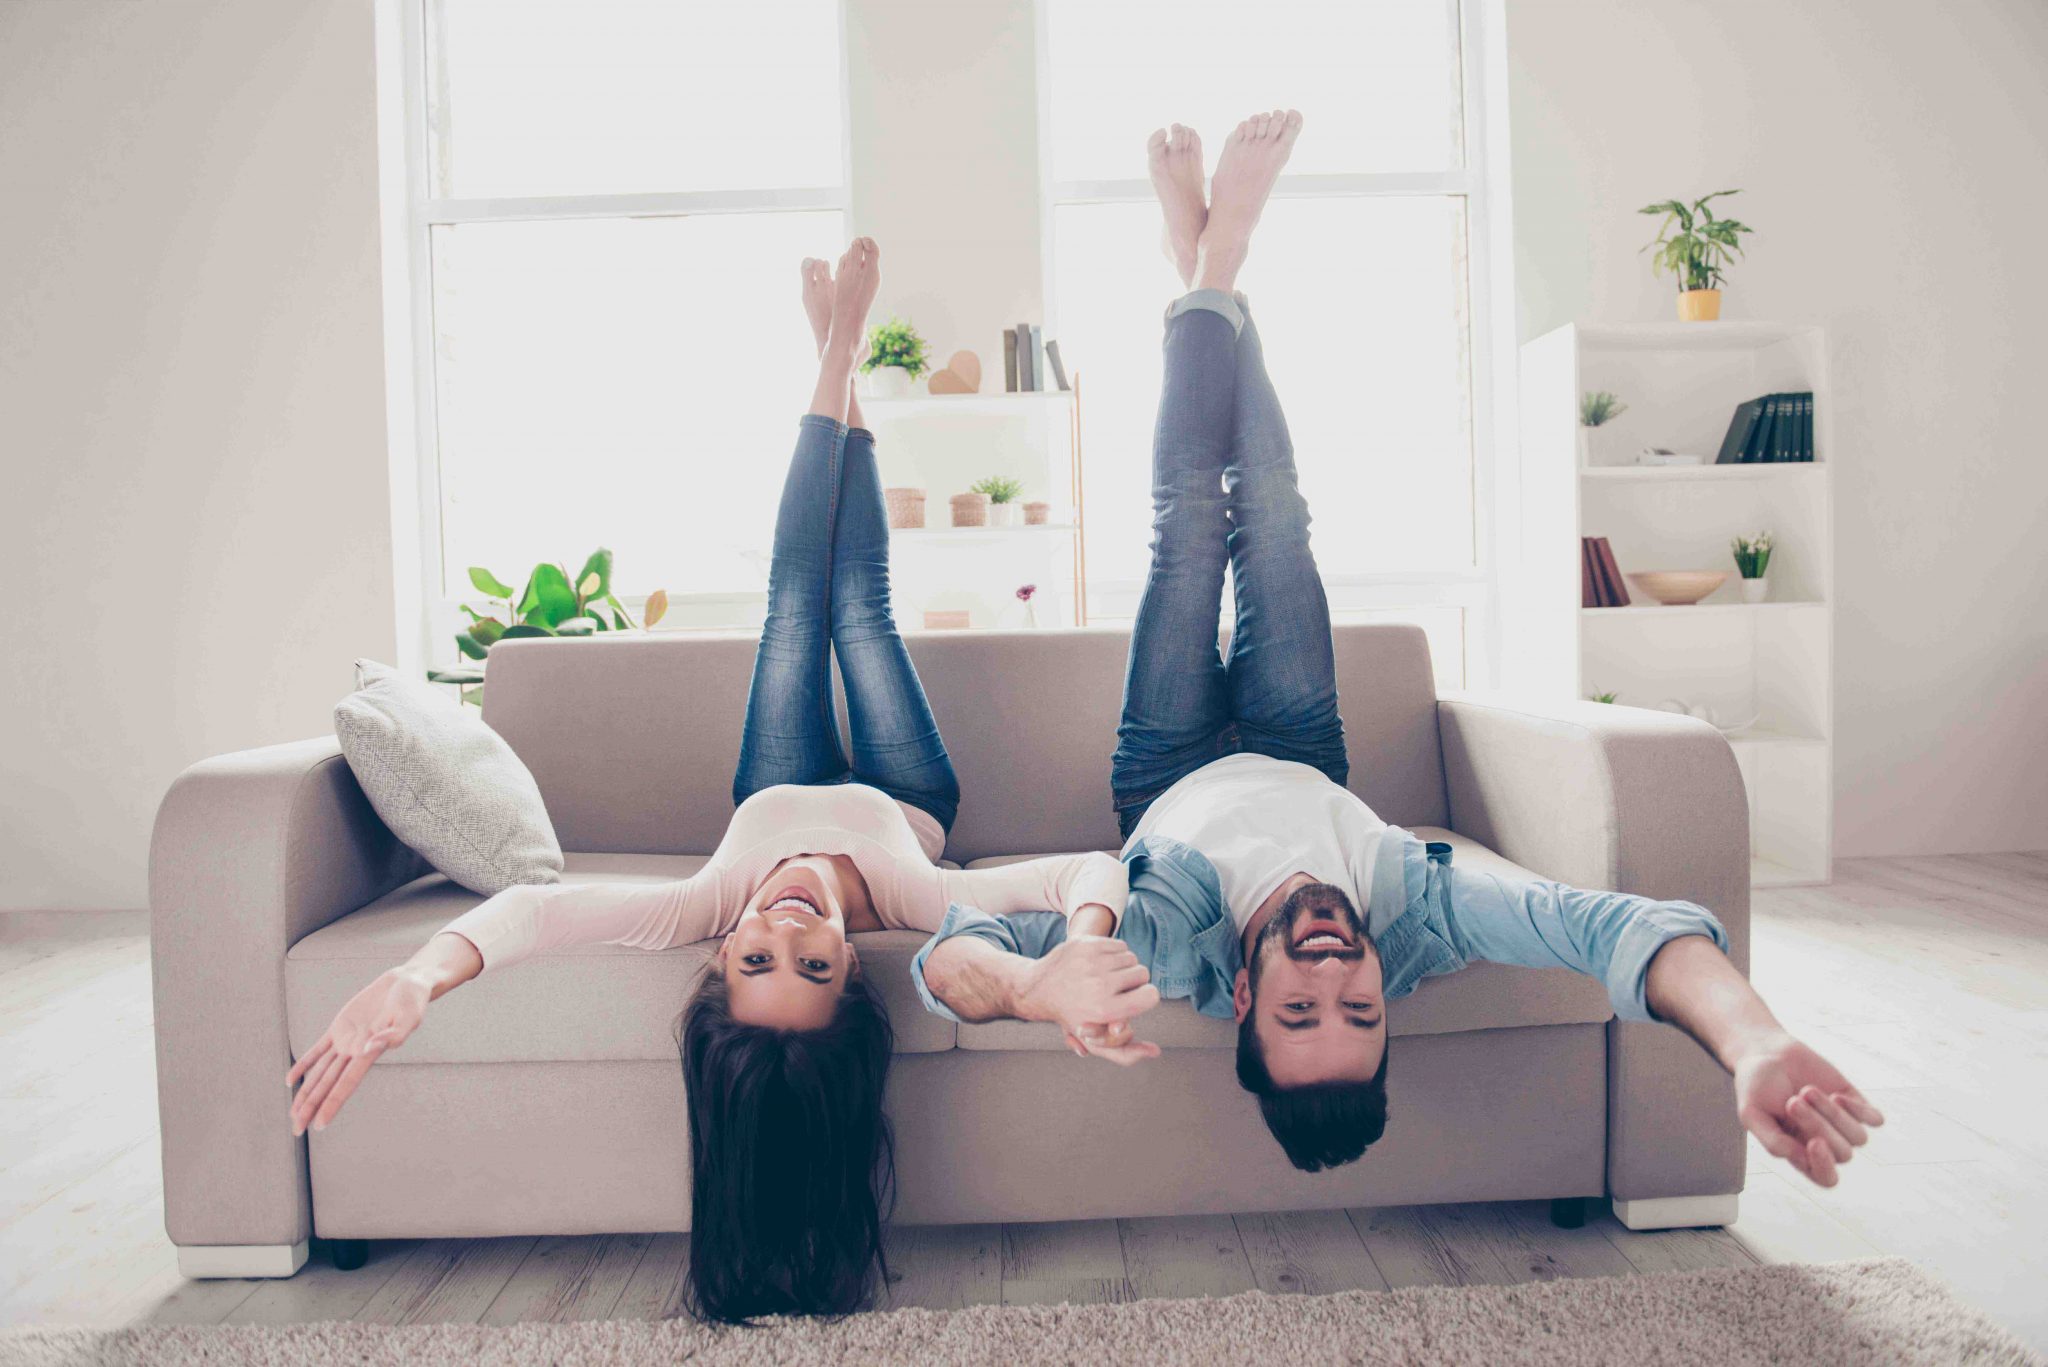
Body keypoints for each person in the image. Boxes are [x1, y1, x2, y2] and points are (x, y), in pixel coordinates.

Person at [916, 110, 1885, 1191]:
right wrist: (1747, 1041)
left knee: (1189, 518)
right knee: (1275, 514)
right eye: (1360, 1005)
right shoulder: (1417, 913)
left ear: (1239, 997)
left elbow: (944, 953)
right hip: (1299, 745)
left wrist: (1029, 987)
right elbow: (1621, 930)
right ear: (1388, 985)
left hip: (1164, 764)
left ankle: (1210, 268)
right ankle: (1210, 272)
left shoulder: (1158, 946)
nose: (1333, 971)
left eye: (1299, 1007)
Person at [284, 238, 1131, 1322]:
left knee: (792, 599)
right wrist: (1087, 934)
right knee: (858, 602)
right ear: (853, 970)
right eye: (813, 959)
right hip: (905, 791)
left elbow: (536, 914)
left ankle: (833, 355)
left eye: (755, 955)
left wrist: (417, 978)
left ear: (719, 956)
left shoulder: (703, 905)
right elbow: (1084, 870)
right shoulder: (922, 903)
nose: (781, 921)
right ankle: (839, 359)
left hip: (770, 782)